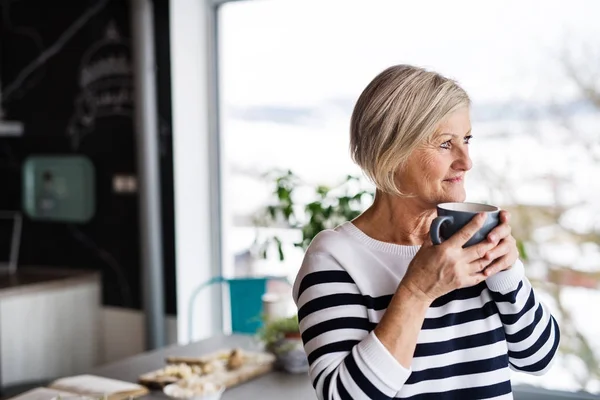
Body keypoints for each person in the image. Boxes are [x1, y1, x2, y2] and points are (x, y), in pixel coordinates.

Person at [292, 65, 560, 399]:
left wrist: (507, 273)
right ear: (390, 153)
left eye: (467, 139)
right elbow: (342, 396)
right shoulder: (335, 259)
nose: (466, 161)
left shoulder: (470, 241)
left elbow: (539, 359)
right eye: (446, 144)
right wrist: (417, 292)